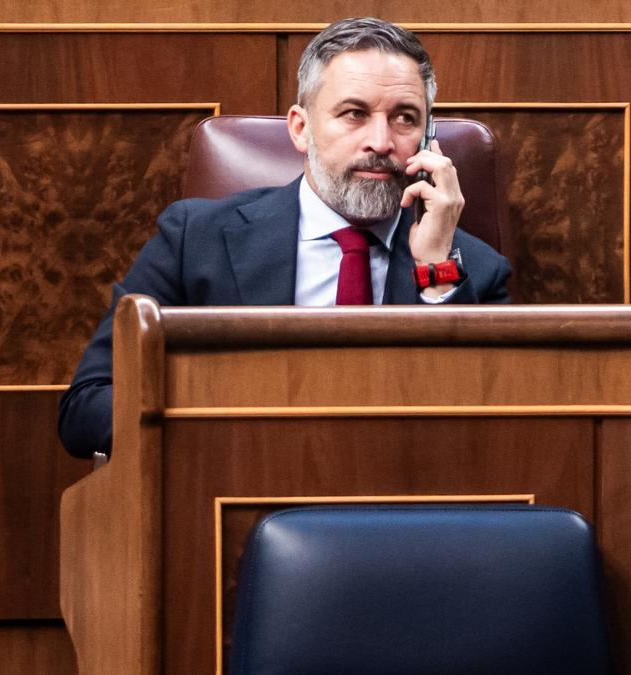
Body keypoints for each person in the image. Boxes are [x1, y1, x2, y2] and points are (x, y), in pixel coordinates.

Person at [58, 17, 512, 459]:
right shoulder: (193, 240)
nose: (380, 141)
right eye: (354, 114)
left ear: (428, 140)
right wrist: (231, 436)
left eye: (405, 118)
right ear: (301, 128)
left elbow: (490, 430)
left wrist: (436, 269)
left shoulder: (476, 270)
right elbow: (89, 405)